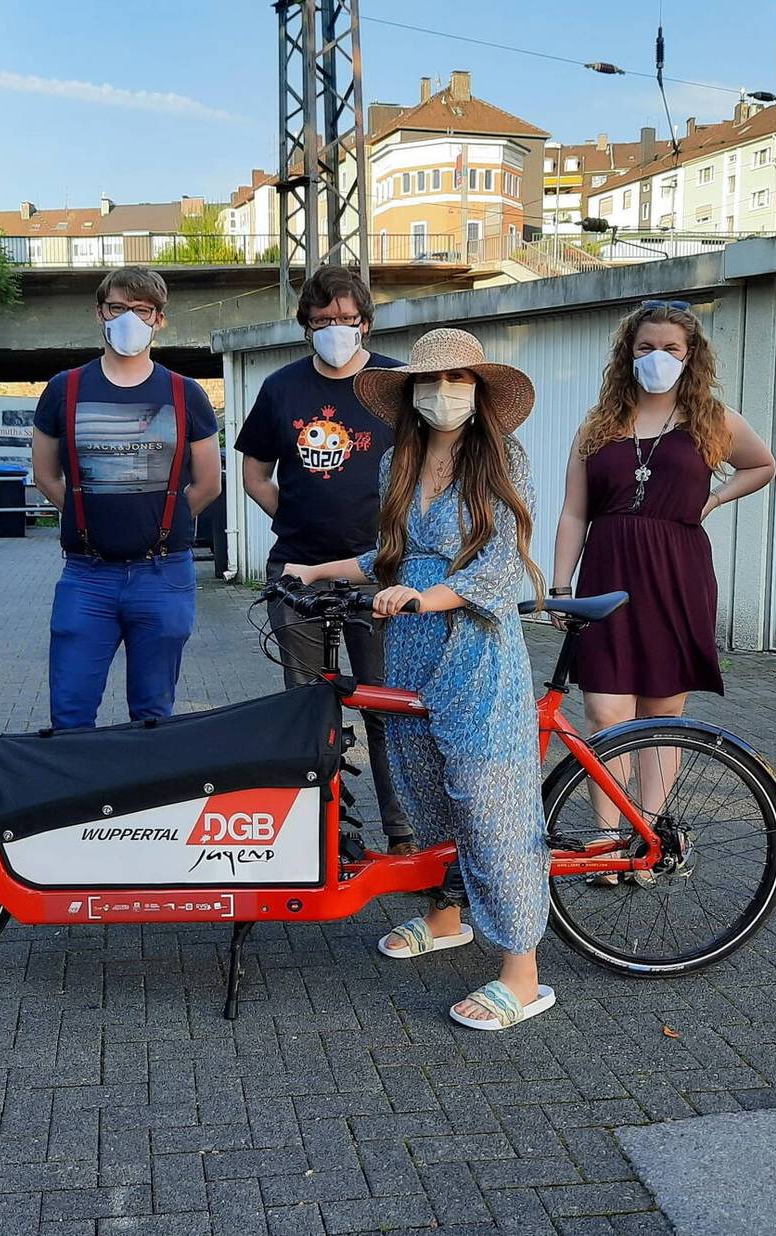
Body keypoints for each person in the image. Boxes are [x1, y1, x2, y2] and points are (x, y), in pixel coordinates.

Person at [286, 328, 552, 1031]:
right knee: (422, 785)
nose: (443, 393)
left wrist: (426, 598)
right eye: (430, 382)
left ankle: (523, 972)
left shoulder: (503, 457)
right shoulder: (397, 461)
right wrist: (315, 571)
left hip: (474, 644)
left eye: (458, 380)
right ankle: (445, 915)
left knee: (490, 801)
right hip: (407, 640)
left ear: (479, 390)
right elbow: (390, 553)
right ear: (410, 394)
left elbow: (501, 561)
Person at [551, 302, 774, 875]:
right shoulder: (597, 424)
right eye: (646, 347)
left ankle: (647, 840)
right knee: (604, 709)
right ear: (628, 354)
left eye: (671, 348)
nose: (658, 357)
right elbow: (574, 512)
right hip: (607, 572)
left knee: (662, 711)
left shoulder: (711, 419)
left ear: (690, 355)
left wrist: (715, 498)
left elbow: (763, 465)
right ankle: (606, 843)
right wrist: (561, 582)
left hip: (677, 572)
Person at [235, 266, 414, 853]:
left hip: (382, 573)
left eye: (347, 318)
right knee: (309, 707)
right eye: (323, 320)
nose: (336, 328)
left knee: (387, 706)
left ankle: (403, 834)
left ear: (366, 323)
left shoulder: (396, 383)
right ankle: (322, 835)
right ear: (306, 325)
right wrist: (292, 518)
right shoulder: (281, 388)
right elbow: (254, 473)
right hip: (299, 570)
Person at [30, 267, 221, 730]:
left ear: (159, 319)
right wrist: (91, 517)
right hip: (87, 576)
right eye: (117, 308)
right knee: (70, 716)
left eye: (142, 310)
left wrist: (160, 522)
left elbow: (208, 484)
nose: (129, 319)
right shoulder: (64, 389)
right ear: (100, 313)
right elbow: (45, 476)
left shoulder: (185, 394)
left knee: (153, 718)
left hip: (163, 575)